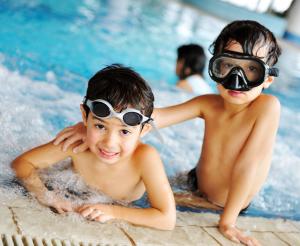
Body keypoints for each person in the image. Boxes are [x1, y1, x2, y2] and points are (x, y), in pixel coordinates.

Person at [54, 20, 281, 245]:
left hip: (222, 203)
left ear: (268, 78)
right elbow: (154, 117)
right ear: (215, 68)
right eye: (227, 65)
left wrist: (228, 221)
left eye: (251, 69)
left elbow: (248, 166)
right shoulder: (209, 103)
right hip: (194, 182)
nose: (236, 79)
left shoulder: (267, 107)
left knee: (139, 204)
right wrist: (93, 122)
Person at [11, 64, 176, 230]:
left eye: (124, 132)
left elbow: (167, 219)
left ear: (143, 130)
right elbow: (22, 163)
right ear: (85, 116)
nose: (109, 143)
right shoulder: (76, 143)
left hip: (131, 203)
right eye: (100, 126)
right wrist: (46, 195)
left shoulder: (145, 158)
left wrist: (114, 212)